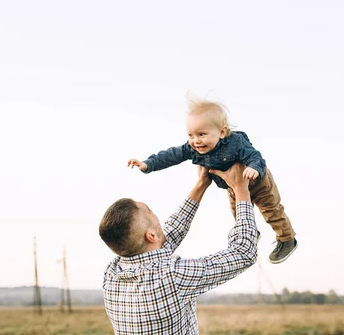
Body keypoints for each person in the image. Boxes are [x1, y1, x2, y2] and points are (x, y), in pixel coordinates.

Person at [99, 163, 258, 335]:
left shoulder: (112, 274)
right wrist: (241, 191)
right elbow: (243, 252)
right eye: (150, 211)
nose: (155, 214)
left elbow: (163, 240)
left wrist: (201, 185)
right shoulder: (172, 275)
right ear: (150, 235)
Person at [127, 97, 298, 264]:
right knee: (238, 214)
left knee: (271, 212)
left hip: (259, 184)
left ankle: (287, 239)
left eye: (202, 134)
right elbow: (171, 156)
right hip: (232, 187)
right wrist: (147, 164)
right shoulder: (192, 148)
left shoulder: (236, 143)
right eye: (191, 135)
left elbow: (255, 156)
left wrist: (254, 168)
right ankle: (248, 232)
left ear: (222, 132)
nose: (195, 141)